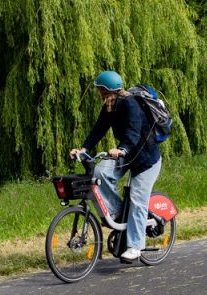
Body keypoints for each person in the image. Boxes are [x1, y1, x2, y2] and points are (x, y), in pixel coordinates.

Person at [69, 70, 162, 264]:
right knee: (99, 172)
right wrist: (84, 148)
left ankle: (135, 246)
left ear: (105, 90)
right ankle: (118, 212)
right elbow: (99, 128)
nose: (97, 92)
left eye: (99, 89)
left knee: (137, 199)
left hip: (146, 159)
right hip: (127, 156)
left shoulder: (130, 103)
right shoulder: (110, 105)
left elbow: (134, 131)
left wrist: (122, 148)